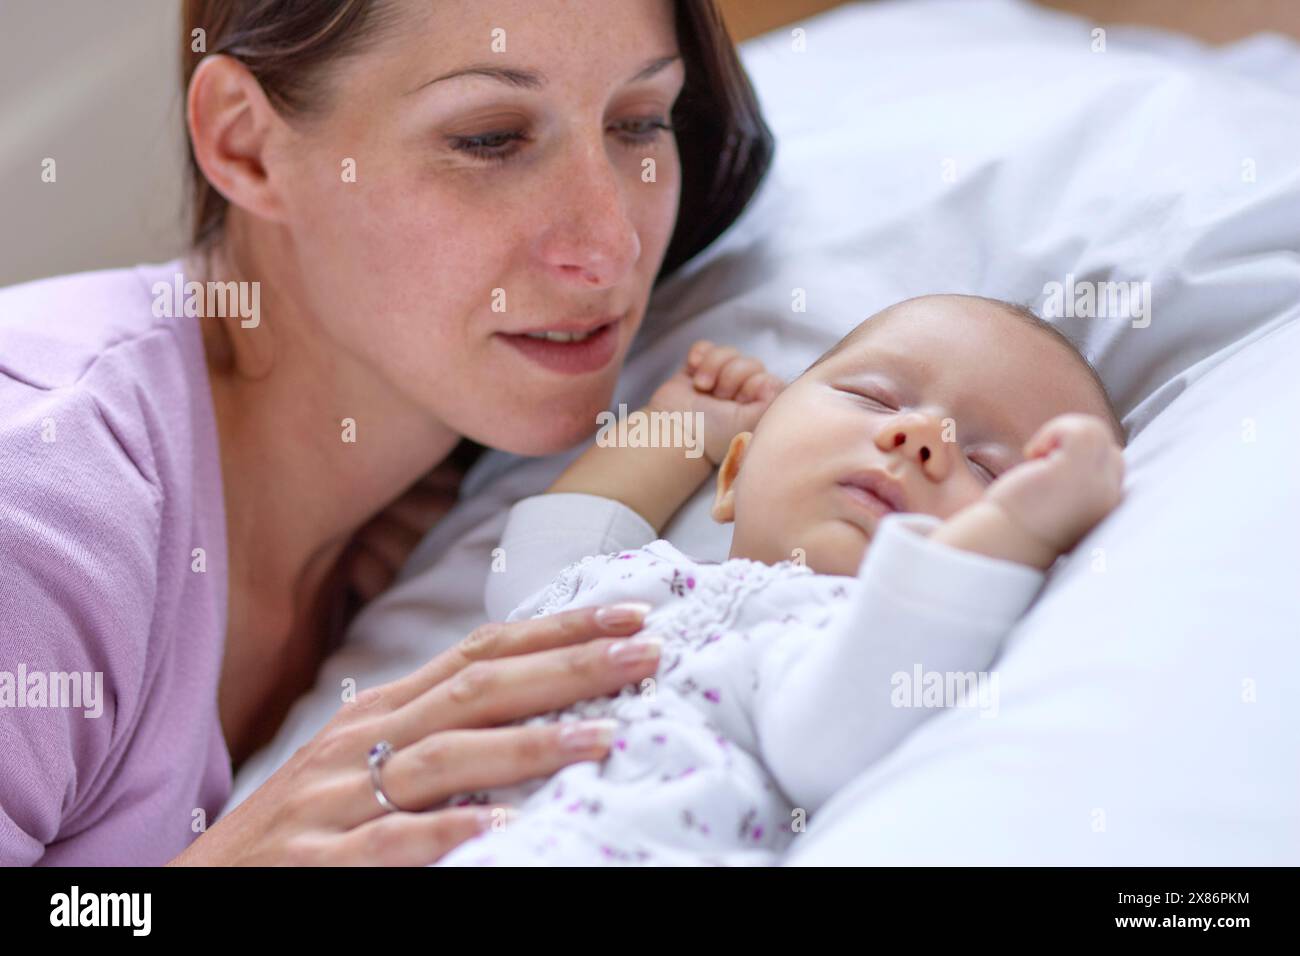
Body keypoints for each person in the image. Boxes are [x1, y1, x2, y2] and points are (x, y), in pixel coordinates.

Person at [0, 0, 774, 865]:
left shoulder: (419, 503)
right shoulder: (38, 507)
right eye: (489, 137)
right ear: (245, 144)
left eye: (639, 123)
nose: (612, 244)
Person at [426, 294, 1125, 865]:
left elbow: (832, 740)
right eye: (877, 398)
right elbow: (541, 559)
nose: (922, 439)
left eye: (988, 468)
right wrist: (681, 430)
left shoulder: (834, 650)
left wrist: (1017, 531)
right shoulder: (630, 580)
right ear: (733, 475)